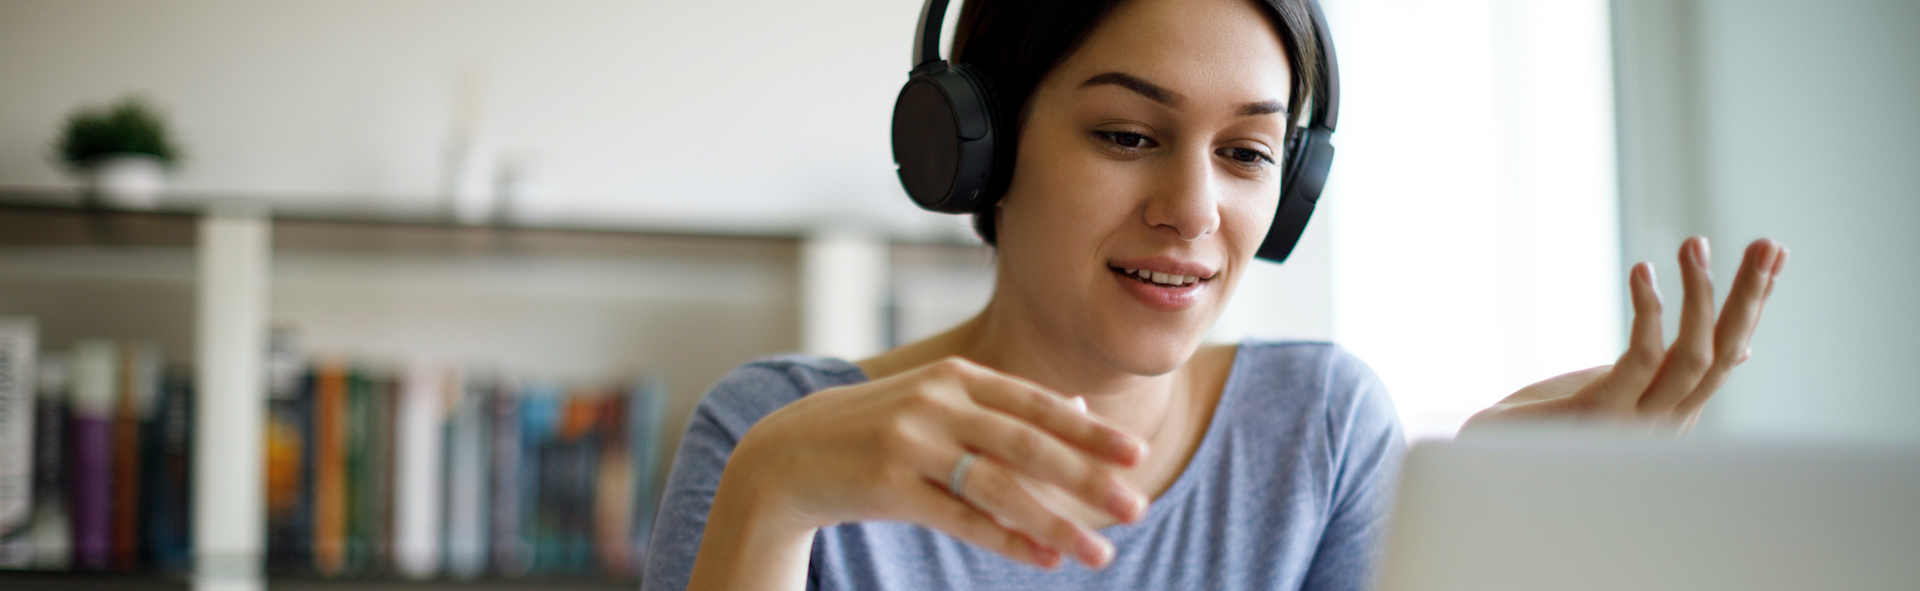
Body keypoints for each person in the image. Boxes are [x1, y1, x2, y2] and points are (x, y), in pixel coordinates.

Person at [644, 0, 1789, 589]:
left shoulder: (1322, 435)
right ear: (975, 149)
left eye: (1247, 154)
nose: (1196, 210)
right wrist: (776, 495)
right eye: (1129, 133)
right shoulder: (774, 438)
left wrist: (1471, 547)